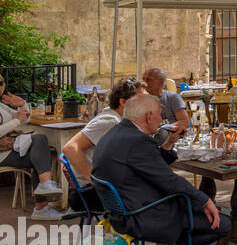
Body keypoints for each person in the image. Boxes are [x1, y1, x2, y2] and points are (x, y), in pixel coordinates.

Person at [92, 94, 230, 245]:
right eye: (159, 115)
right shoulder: (137, 142)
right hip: (141, 215)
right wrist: (204, 200)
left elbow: (151, 165)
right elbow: (170, 180)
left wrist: (168, 143)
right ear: (149, 116)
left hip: (122, 210)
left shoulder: (116, 134)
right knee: (222, 224)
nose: (162, 120)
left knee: (190, 204)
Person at [64, 77, 148, 191]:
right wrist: (94, 181)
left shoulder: (119, 119)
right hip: (94, 190)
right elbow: (69, 148)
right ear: (123, 102)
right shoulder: (111, 121)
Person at [0, 74, 64, 219]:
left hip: (11, 147)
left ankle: (43, 194)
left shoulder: (1, 106)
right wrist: (16, 121)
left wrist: (23, 104)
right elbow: (18, 120)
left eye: (0, 83)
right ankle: (42, 204)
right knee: (40, 145)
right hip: (2, 153)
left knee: (39, 153)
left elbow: (25, 117)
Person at [142, 67, 190, 149]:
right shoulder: (142, 100)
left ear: (160, 82)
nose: (145, 83)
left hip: (170, 137)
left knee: (162, 133)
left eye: (149, 79)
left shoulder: (172, 97)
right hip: (149, 136)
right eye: (144, 79)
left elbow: (184, 121)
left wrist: (164, 127)